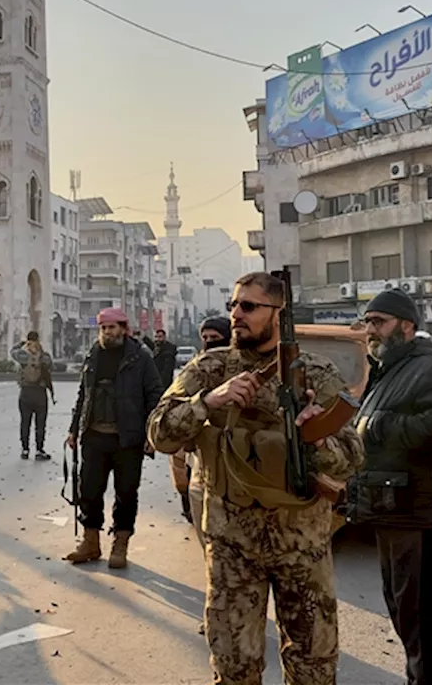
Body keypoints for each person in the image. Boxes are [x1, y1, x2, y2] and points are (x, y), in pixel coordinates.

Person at [148, 272, 364, 685]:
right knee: (234, 669)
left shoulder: (316, 373)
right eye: (234, 305)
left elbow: (352, 457)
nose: (235, 314)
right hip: (232, 548)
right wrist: (209, 401)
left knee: (313, 669)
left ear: (278, 315)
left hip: (302, 548)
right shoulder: (210, 369)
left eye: (248, 306)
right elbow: (158, 433)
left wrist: (315, 438)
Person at [348, 289, 432, 685]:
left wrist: (381, 426)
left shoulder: (430, 366)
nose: (370, 330)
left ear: (407, 325)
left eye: (378, 322)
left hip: (424, 516)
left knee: (427, 628)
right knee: (408, 618)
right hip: (396, 511)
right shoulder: (391, 368)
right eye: (367, 322)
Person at [64, 307, 163, 569]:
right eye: (104, 328)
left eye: (112, 327)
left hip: (127, 439)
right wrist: (74, 429)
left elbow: (155, 395)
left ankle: (120, 544)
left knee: (126, 493)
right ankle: (90, 542)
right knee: (89, 490)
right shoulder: (93, 354)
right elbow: (83, 395)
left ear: (123, 328)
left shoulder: (140, 357)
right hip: (94, 436)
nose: (108, 332)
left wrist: (151, 433)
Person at [169, 317, 233, 528]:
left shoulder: (237, 368)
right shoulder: (196, 369)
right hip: (197, 448)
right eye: (205, 337)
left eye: (215, 337)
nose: (209, 341)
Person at [11, 330, 55, 460]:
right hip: (40, 393)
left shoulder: (22, 355)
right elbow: (51, 367)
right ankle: (39, 450)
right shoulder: (44, 356)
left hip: (25, 393)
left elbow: (12, 351)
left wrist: (22, 343)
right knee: (40, 423)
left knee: (25, 422)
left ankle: (25, 450)